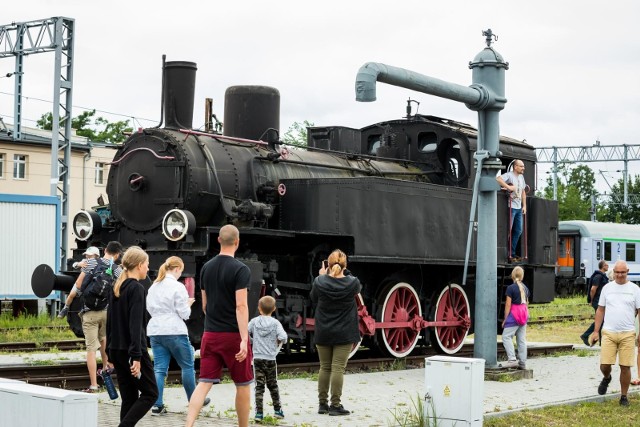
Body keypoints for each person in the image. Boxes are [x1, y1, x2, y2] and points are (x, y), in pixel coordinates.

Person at [185, 225, 253, 427]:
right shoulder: (241, 269)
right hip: (232, 335)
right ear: (237, 242)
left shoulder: (206, 268)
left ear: (218, 241)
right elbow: (241, 306)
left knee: (204, 382)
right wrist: (243, 339)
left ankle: (188, 424)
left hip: (210, 334)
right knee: (242, 385)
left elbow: (205, 305)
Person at [147, 256, 210, 415]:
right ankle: (195, 401)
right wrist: (188, 304)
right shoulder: (178, 286)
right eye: (180, 271)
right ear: (176, 269)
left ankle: (157, 405)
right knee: (187, 366)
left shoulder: (153, 286)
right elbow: (185, 314)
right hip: (174, 330)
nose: (180, 274)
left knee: (159, 369)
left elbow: (149, 308)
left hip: (156, 331)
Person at [107, 246, 158, 426]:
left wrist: (108, 352)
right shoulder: (136, 289)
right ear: (138, 265)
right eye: (147, 264)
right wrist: (136, 356)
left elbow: (110, 323)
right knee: (151, 393)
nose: (147, 268)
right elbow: (136, 325)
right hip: (132, 350)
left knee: (129, 397)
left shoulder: (117, 287)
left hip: (117, 350)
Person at [310, 249, 361, 416]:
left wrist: (323, 275)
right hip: (344, 332)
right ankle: (335, 405)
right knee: (338, 368)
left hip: (324, 330)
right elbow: (355, 285)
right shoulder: (352, 283)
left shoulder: (319, 281)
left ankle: (322, 405)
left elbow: (313, 298)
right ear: (345, 266)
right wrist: (343, 271)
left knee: (324, 367)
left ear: (328, 265)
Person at [590, 260, 640, 407]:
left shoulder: (635, 289)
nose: (619, 275)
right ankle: (607, 377)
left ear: (627, 272)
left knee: (625, 366)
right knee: (604, 364)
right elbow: (600, 310)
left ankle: (623, 396)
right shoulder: (607, 288)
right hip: (609, 333)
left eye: (622, 272)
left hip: (628, 333)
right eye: (617, 272)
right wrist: (595, 331)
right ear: (614, 272)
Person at [75, 241, 123, 393]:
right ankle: (106, 373)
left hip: (89, 312)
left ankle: (94, 385)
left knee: (91, 349)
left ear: (105, 251)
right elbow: (120, 288)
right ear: (117, 255)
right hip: (105, 312)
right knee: (104, 342)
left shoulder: (91, 262)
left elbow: (78, 282)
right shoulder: (116, 269)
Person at [248, 295, 287, 422]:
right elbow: (284, 337)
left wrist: (252, 340)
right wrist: (277, 343)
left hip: (257, 359)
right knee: (273, 385)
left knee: (259, 386)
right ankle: (277, 411)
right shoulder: (276, 323)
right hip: (270, 359)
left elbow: (245, 332)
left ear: (259, 309)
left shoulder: (254, 322)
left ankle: (259, 413)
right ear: (274, 309)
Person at [58, 246, 101, 318]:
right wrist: (79, 264)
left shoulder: (98, 262)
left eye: (90, 255)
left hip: (90, 284)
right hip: (82, 283)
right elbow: (74, 265)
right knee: (71, 295)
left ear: (96, 255)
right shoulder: (86, 261)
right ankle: (65, 308)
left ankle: (70, 308)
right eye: (87, 255)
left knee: (75, 295)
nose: (87, 256)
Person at [496, 160, 527, 262]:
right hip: (511, 206)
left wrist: (524, 206)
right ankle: (505, 253)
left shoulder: (521, 177)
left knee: (518, 230)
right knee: (508, 230)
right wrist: (509, 187)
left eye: (523, 166)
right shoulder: (509, 175)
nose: (523, 168)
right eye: (521, 166)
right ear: (515, 167)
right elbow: (498, 179)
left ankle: (512, 253)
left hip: (518, 207)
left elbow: (523, 191)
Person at [501, 266, 530, 369]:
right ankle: (522, 363)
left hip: (515, 315)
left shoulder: (510, 288)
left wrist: (505, 319)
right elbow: (526, 303)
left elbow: (508, 305)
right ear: (522, 276)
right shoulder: (525, 288)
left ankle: (512, 359)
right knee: (521, 340)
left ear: (513, 275)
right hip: (524, 315)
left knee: (506, 336)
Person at [580, 260, 609, 346]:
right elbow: (593, 289)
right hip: (598, 301)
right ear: (603, 266)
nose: (608, 266)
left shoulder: (602, 276)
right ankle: (585, 335)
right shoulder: (598, 277)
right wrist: (591, 300)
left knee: (602, 320)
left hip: (600, 301)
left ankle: (600, 342)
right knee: (600, 320)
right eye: (606, 265)